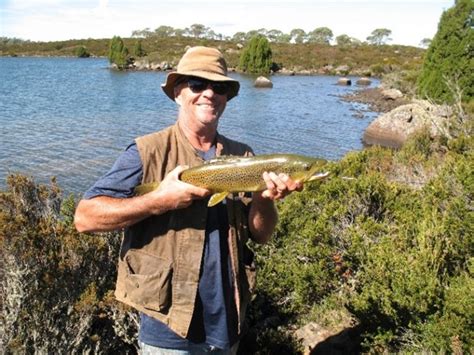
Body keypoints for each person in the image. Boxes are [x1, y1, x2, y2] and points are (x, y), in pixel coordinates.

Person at [74, 46, 302, 354]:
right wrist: (158, 200)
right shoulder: (147, 151)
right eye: (197, 84)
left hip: (227, 322)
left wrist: (264, 201)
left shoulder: (244, 155)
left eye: (219, 87)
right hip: (167, 327)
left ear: (226, 97)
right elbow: (85, 218)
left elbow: (261, 235)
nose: (209, 93)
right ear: (178, 92)